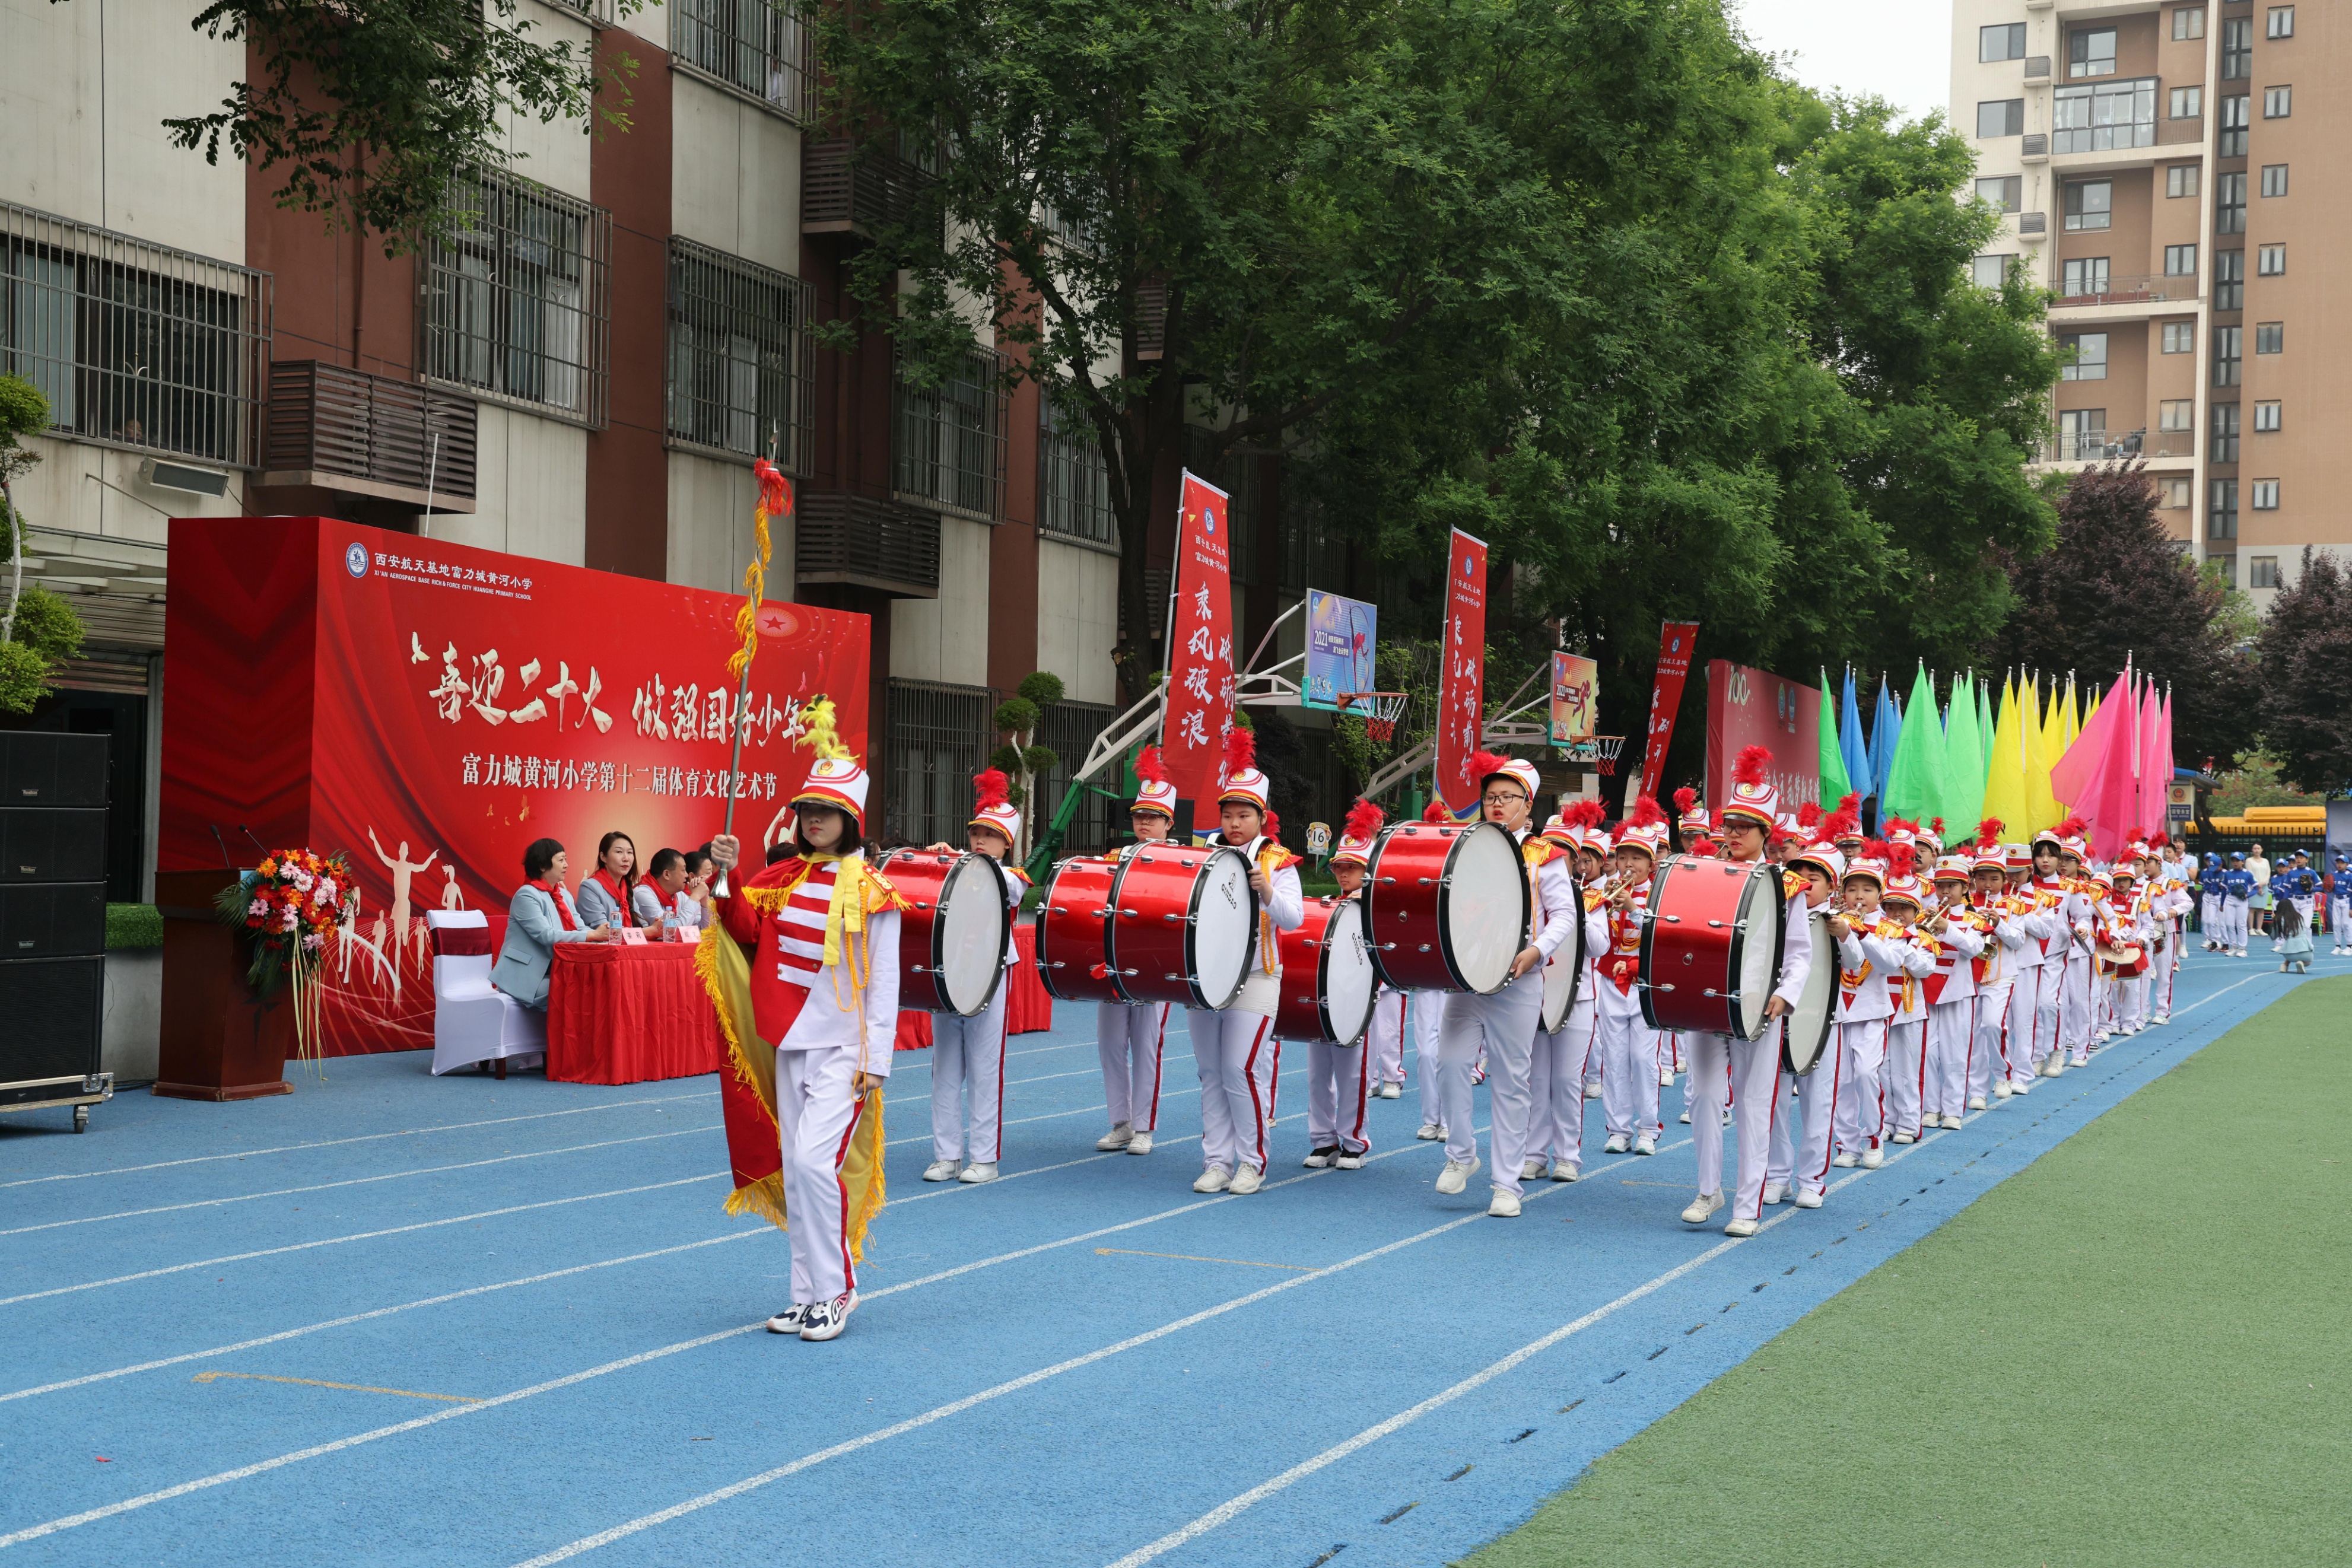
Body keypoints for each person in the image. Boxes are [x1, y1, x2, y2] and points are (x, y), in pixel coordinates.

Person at [706, 720, 903, 1344]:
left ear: (850, 820)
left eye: (827, 811)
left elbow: (886, 983)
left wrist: (878, 1059)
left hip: (845, 1050)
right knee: (796, 1170)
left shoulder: (875, 893)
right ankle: (804, 1296)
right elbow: (743, 929)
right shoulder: (780, 877)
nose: (814, 819)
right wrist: (725, 877)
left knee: (817, 1165)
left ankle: (839, 1290)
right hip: (788, 1044)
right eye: (807, 810)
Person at [1668, 747, 1815, 1236]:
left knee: (1755, 1102)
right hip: (1708, 1002)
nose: (1732, 834)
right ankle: (1709, 1190)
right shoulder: (1701, 872)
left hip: (1760, 1008)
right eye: (1728, 824)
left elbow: (1798, 953)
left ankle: (1747, 1204)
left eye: (1743, 827)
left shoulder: (1788, 885)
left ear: (1765, 835)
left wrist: (1786, 994)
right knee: (1704, 1096)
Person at [1431, 752, 1576, 1219]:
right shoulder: (1466, 844)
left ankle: (1507, 1182)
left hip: (1518, 980)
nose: (1496, 804)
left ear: (1527, 803)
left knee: (1512, 1083)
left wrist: (1536, 950)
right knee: (1449, 1061)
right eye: (1491, 796)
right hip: (1469, 978)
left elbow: (1566, 915)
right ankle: (1461, 1153)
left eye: (1507, 797)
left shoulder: (1544, 854)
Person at [1186, 727, 1305, 1196]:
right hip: (1207, 978)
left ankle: (1252, 1161)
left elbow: (1294, 919)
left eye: (1244, 815)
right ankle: (1216, 1159)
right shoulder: (1205, 856)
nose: (1235, 823)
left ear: (1261, 817)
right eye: (1228, 814)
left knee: (1239, 1067)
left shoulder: (1279, 861)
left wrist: (1267, 891)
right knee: (1210, 1071)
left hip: (1258, 977)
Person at [920, 769, 1029, 1185]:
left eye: (991, 834)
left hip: (989, 975)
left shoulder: (1011, 877)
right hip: (948, 974)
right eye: (976, 832)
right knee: (944, 1067)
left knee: (984, 1067)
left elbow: (1002, 886)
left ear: (1007, 843)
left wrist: (960, 862)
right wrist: (939, 862)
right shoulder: (957, 867)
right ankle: (946, 1154)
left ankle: (984, 1156)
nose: (980, 840)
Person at [1096, 748, 1180, 1156]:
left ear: (1169, 822)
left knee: (1147, 1044)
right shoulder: (1114, 857)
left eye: (1152, 817)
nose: (1143, 823)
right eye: (1138, 816)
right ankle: (1121, 1122)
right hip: (1115, 964)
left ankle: (1146, 1126)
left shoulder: (1183, 863)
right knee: (1111, 1042)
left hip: (1154, 965)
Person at [1524, 800, 1611, 1184]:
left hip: (1578, 999)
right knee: (1536, 1080)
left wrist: (1574, 906)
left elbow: (1599, 947)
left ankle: (1567, 1156)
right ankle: (1533, 1154)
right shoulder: (1527, 892)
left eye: (1566, 855)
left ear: (1577, 861)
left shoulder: (1591, 899)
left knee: (1566, 1081)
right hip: (1537, 994)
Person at [1303, 797, 1387, 1171]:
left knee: (1352, 1072)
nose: (1343, 873)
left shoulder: (1374, 909)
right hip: (1324, 998)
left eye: (1352, 867)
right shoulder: (1328, 904)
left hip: (1359, 999)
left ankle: (1354, 1141)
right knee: (1318, 1072)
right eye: (1339, 866)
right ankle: (1323, 1141)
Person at [1595, 796, 1668, 1157]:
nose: (1628, 864)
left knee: (1643, 1058)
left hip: (1644, 985)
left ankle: (1648, 1128)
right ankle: (1618, 1128)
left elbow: (1662, 936)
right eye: (1623, 856)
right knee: (1614, 1057)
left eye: (1637, 858)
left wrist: (1633, 907)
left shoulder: (1661, 891)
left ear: (1651, 863)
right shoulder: (1602, 890)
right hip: (1609, 981)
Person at [490, 838, 618, 1007]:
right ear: (543, 866)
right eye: (561, 860)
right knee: (584, 988)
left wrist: (602, 935)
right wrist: (593, 934)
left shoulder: (564, 896)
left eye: (566, 859)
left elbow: (580, 927)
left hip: (556, 971)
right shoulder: (526, 895)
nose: (566, 865)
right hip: (527, 977)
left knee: (602, 981)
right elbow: (546, 935)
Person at [576, 831, 651, 930]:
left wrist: (655, 929)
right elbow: (604, 930)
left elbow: (643, 925)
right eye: (619, 852)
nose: (626, 858)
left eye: (630, 853)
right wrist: (648, 932)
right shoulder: (589, 888)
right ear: (603, 857)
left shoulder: (627, 888)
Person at [632, 847, 694, 937]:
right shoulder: (642, 893)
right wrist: (695, 898)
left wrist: (704, 901)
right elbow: (669, 932)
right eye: (683, 870)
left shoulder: (679, 894)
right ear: (667, 875)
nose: (687, 875)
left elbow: (703, 930)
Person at [2221, 854, 2256, 959]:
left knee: (2241, 924)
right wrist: (2222, 904)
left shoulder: (2248, 874)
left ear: (2243, 862)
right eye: (2233, 860)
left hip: (2242, 900)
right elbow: (2224, 889)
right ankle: (2233, 947)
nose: (2235, 862)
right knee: (2229, 924)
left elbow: (2256, 888)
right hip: (2230, 898)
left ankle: (2242, 949)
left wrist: (2247, 895)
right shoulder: (2228, 874)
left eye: (2238, 860)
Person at [2245, 841, 2272, 937]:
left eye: (2258, 848)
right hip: (2253, 886)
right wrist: (2257, 885)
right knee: (2252, 908)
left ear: (2262, 850)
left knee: (2261, 908)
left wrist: (2263, 884)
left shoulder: (2266, 861)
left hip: (2264, 886)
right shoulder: (2249, 860)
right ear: (2252, 850)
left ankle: (2259, 928)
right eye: (2255, 848)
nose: (2257, 850)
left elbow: (2268, 873)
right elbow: (2250, 873)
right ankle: (2251, 929)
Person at [2332, 854, 2351, 956]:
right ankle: (2338, 946)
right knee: (2336, 924)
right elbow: (2330, 888)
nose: (2339, 865)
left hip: (2347, 900)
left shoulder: (2349, 875)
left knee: (2347, 924)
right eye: (2338, 862)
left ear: (2347, 864)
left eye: (2342, 863)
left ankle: (2349, 946)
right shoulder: (2333, 875)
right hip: (2336, 899)